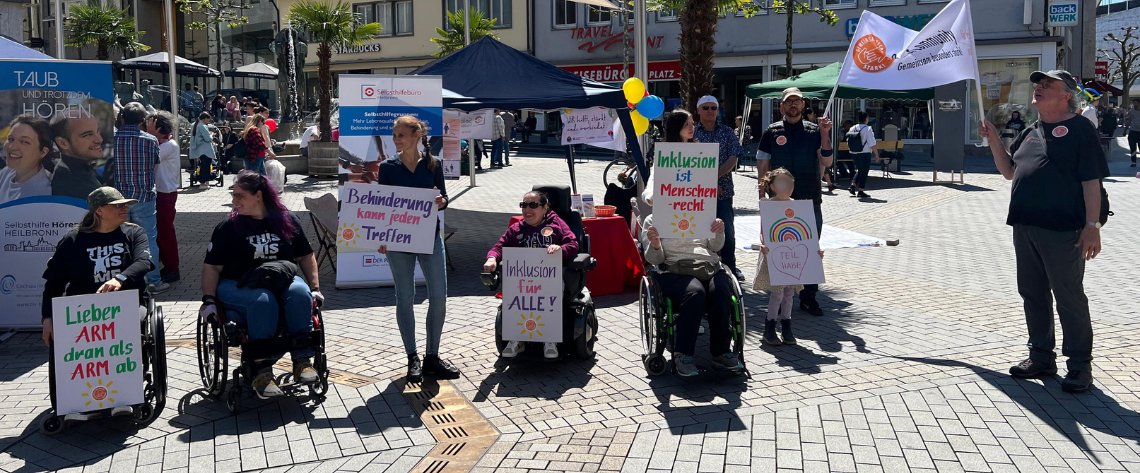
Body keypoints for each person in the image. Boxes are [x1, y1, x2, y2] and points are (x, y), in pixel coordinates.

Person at [978, 69, 1109, 394]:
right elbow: (1009, 171)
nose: (1039, 89)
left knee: (1069, 298)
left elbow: (1092, 182)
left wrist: (1092, 227)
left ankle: (1079, 366)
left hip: (1064, 230)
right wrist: (995, 139)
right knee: (1033, 294)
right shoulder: (1031, 130)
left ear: (1067, 94)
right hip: (1025, 227)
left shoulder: (1081, 129)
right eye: (1038, 85)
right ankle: (1040, 357)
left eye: (1048, 85)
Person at [198, 171, 321, 398]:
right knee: (263, 301)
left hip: (280, 279)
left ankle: (302, 361)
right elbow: (212, 267)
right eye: (233, 196)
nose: (234, 201)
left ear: (258, 196)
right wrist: (208, 300)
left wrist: (314, 288)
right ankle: (261, 370)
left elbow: (305, 255)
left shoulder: (285, 220)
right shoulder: (228, 227)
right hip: (237, 283)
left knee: (300, 293)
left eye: (240, 196)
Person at [40, 187, 153, 418]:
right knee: (75, 334)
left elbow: (143, 262)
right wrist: (48, 318)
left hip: (126, 302)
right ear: (99, 210)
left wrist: (120, 278)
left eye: (125, 204)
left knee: (127, 322)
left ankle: (125, 394)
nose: (125, 208)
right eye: (118, 205)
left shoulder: (133, 233)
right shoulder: (73, 239)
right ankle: (78, 399)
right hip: (82, 307)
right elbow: (54, 282)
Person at [377, 115, 459, 383]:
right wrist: (382, 236)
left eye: (401, 135)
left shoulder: (433, 164)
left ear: (415, 136)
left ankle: (432, 357)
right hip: (399, 239)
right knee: (405, 296)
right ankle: (412, 357)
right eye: (394, 134)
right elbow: (383, 205)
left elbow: (444, 197)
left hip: (429, 236)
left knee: (439, 296)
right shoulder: (387, 167)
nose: (396, 139)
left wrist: (441, 201)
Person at [757, 87, 834, 316]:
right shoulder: (771, 131)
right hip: (778, 201)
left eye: (797, 101)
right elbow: (763, 165)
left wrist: (825, 133)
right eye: (789, 101)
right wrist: (763, 197)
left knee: (810, 248)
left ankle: (809, 297)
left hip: (809, 199)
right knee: (780, 248)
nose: (793, 105)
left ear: (803, 105)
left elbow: (827, 162)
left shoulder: (815, 131)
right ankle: (780, 296)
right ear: (782, 106)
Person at [639, 208, 739, 376]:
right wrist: (656, 244)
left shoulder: (702, 214)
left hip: (709, 266)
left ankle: (721, 352)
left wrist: (719, 231)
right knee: (695, 293)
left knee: (722, 291)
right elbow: (654, 260)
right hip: (674, 269)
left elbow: (715, 247)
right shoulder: (653, 220)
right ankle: (682, 354)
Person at [484, 190, 580, 359]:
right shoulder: (517, 228)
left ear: (545, 208)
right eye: (524, 205)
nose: (527, 209)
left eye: (533, 205)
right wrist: (492, 259)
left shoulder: (556, 224)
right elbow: (498, 247)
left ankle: (549, 339)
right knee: (515, 295)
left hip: (551, 278)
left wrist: (560, 249)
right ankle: (516, 339)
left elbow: (573, 244)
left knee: (548, 293)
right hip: (523, 279)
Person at [755, 169, 824, 346]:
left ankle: (787, 326)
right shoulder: (768, 205)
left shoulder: (799, 206)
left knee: (789, 294)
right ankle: (769, 328)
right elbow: (764, 232)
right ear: (772, 186)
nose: (787, 187)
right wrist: (763, 244)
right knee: (777, 294)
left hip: (795, 259)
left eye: (790, 183)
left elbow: (806, 235)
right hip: (775, 258)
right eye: (782, 183)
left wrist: (815, 251)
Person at [114, 102, 167, 292]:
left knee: (120, 239)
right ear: (143, 121)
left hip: (118, 198)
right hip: (143, 196)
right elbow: (155, 163)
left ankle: (123, 280)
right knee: (148, 239)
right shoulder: (150, 140)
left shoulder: (112, 139)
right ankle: (153, 280)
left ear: (121, 118)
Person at [692, 96, 746, 282]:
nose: (710, 111)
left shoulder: (727, 132)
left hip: (723, 191)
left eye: (713, 108)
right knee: (700, 230)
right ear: (698, 110)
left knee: (727, 231)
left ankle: (730, 266)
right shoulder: (691, 134)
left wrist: (714, 178)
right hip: (696, 193)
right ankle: (702, 265)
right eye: (705, 107)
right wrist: (707, 182)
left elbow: (734, 156)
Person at [148, 111, 181, 284]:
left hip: (165, 193)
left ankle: (172, 268)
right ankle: (166, 264)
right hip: (161, 192)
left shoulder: (168, 145)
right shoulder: (166, 143)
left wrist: (150, 135)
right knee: (161, 231)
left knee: (165, 231)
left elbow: (149, 155)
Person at [49, 113, 105, 200]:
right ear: (63, 143)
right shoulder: (73, 185)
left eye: (97, 131)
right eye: (87, 135)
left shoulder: (79, 173)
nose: (99, 139)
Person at [1, 115, 53, 204]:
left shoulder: (40, 196)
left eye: (25, 142)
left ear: (43, 152)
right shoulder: (6, 172)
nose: (12, 147)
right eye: (11, 139)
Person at [846, 111, 879, 199]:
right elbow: (872, 143)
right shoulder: (868, 129)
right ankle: (861, 190)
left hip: (854, 152)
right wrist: (876, 154)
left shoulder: (853, 128)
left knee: (860, 170)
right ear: (866, 119)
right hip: (865, 153)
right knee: (864, 172)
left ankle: (853, 186)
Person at [190, 112, 217, 190]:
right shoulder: (203, 126)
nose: (208, 121)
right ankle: (203, 182)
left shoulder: (194, 125)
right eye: (208, 120)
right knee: (206, 165)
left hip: (198, 148)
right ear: (205, 119)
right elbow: (208, 138)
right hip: (205, 149)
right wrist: (211, 135)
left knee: (202, 165)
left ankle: (203, 181)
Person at [1128, 99, 1140, 167]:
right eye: (1133, 103)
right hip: (1133, 131)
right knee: (1132, 147)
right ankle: (1133, 161)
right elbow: (1129, 120)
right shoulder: (1131, 111)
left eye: (1135, 103)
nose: (1134, 105)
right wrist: (1125, 130)